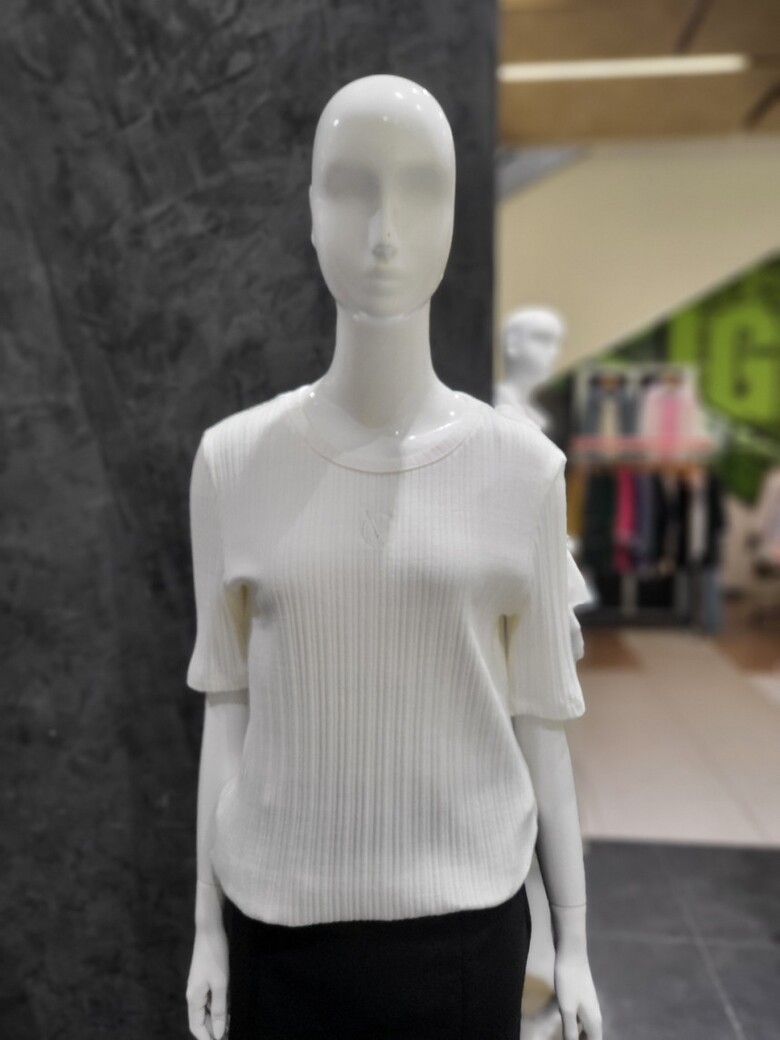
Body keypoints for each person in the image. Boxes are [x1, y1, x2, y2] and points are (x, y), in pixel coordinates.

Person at [185, 74, 602, 1040]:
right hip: (275, 932)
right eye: (350, 188)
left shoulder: (522, 470)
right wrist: (205, 925)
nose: (384, 231)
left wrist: (574, 937)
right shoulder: (232, 462)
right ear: (310, 211)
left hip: (464, 939)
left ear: (456, 214)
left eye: (420, 189)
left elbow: (542, 715)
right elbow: (226, 701)